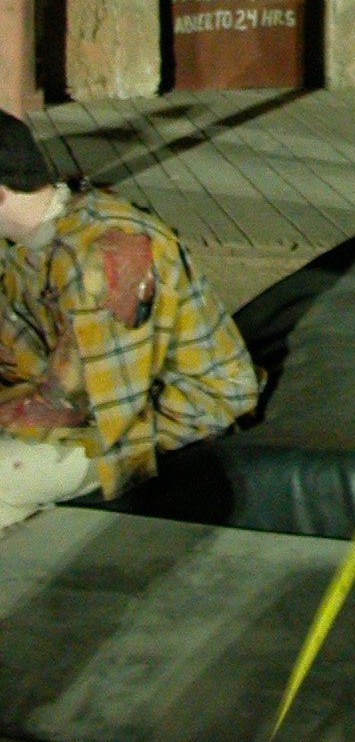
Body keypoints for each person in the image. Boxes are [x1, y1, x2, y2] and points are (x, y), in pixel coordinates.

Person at [0, 109, 259, 532]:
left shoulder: (106, 255)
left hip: (176, 409)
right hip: (97, 399)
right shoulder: (25, 243)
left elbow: (86, 405)